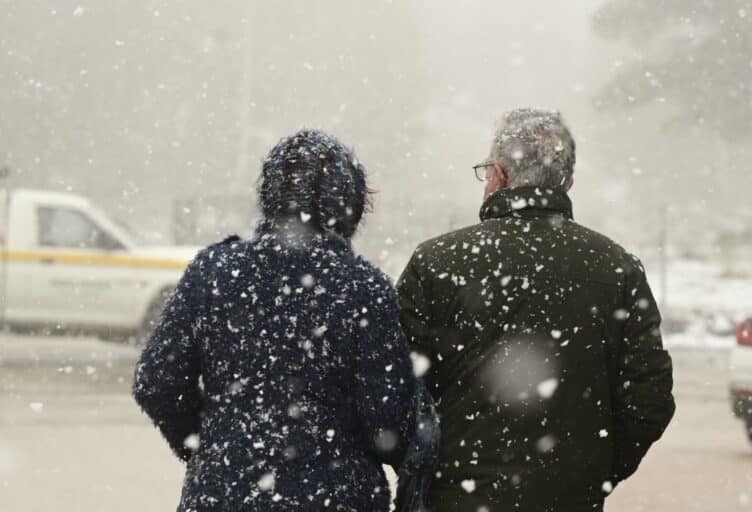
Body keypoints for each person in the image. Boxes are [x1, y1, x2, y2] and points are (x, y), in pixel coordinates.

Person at [396, 109, 675, 512]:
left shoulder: (436, 262)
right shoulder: (617, 269)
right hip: (569, 499)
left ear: (500, 175)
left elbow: (394, 389)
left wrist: (431, 468)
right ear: (568, 183)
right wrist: (593, 473)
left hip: (456, 497)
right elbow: (649, 399)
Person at [133, 129, 418, 511]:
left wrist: (213, 446)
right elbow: (388, 420)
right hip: (336, 497)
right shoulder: (365, 289)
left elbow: (157, 381)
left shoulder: (213, 272)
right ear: (348, 205)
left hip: (223, 496)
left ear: (269, 196)